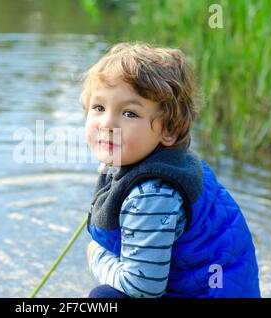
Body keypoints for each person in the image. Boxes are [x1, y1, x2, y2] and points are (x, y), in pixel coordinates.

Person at [81, 42, 261, 298]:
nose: (107, 123)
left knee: (104, 298)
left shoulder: (153, 194)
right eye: (98, 108)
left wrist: (96, 255)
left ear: (169, 131)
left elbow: (142, 286)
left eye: (130, 113)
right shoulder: (172, 162)